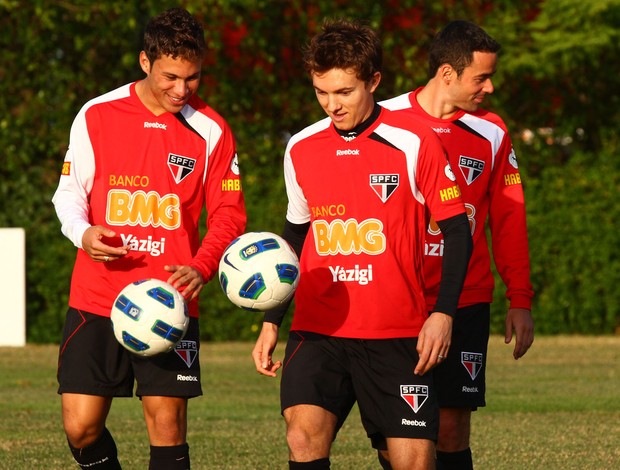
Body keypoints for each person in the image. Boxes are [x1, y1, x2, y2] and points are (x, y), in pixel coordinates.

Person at [251, 19, 472, 470]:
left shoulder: (416, 142)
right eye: (321, 92)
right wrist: (272, 320)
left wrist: (443, 313)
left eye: (344, 92)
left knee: (411, 461)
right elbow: (296, 234)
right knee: (302, 437)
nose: (332, 105)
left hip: (395, 334)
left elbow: (457, 231)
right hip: (319, 330)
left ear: (373, 81)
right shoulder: (300, 147)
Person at [51, 8, 246, 469]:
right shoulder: (97, 114)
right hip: (97, 295)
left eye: (193, 78)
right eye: (171, 77)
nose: (182, 90)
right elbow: (68, 194)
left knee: (167, 427)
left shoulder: (211, 130)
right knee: (80, 428)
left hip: (171, 300)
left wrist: (202, 266)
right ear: (145, 62)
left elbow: (229, 215)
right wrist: (84, 233)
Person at [381, 20, 535, 469]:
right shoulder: (384, 118)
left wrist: (520, 298)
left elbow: (510, 219)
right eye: (481, 78)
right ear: (447, 74)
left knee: (450, 427)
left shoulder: (492, 131)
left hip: (466, 297)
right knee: (398, 435)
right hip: (398, 299)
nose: (490, 87)